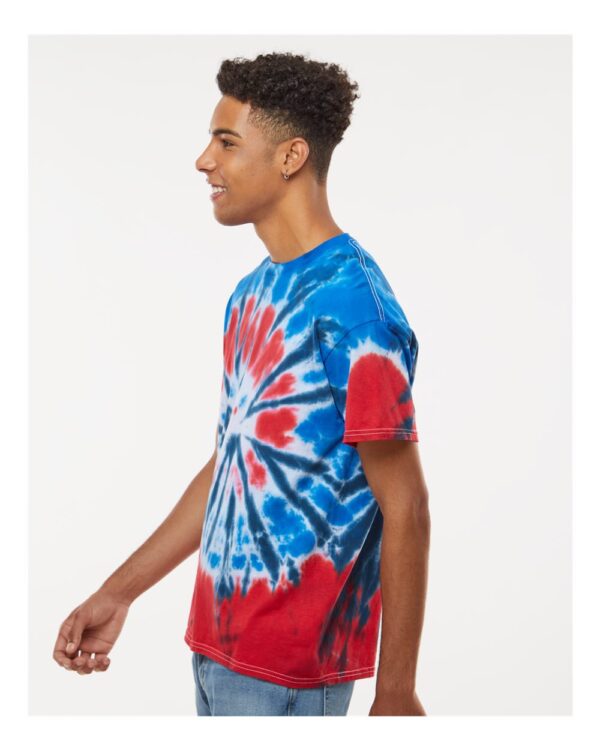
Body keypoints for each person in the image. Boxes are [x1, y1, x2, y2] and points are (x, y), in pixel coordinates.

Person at [53, 51, 430, 717]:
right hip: (216, 652)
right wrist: (119, 591)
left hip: (292, 677)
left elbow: (406, 506)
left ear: (290, 157)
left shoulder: (356, 310)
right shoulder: (252, 294)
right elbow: (235, 462)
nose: (204, 161)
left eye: (226, 142)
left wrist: (395, 692)